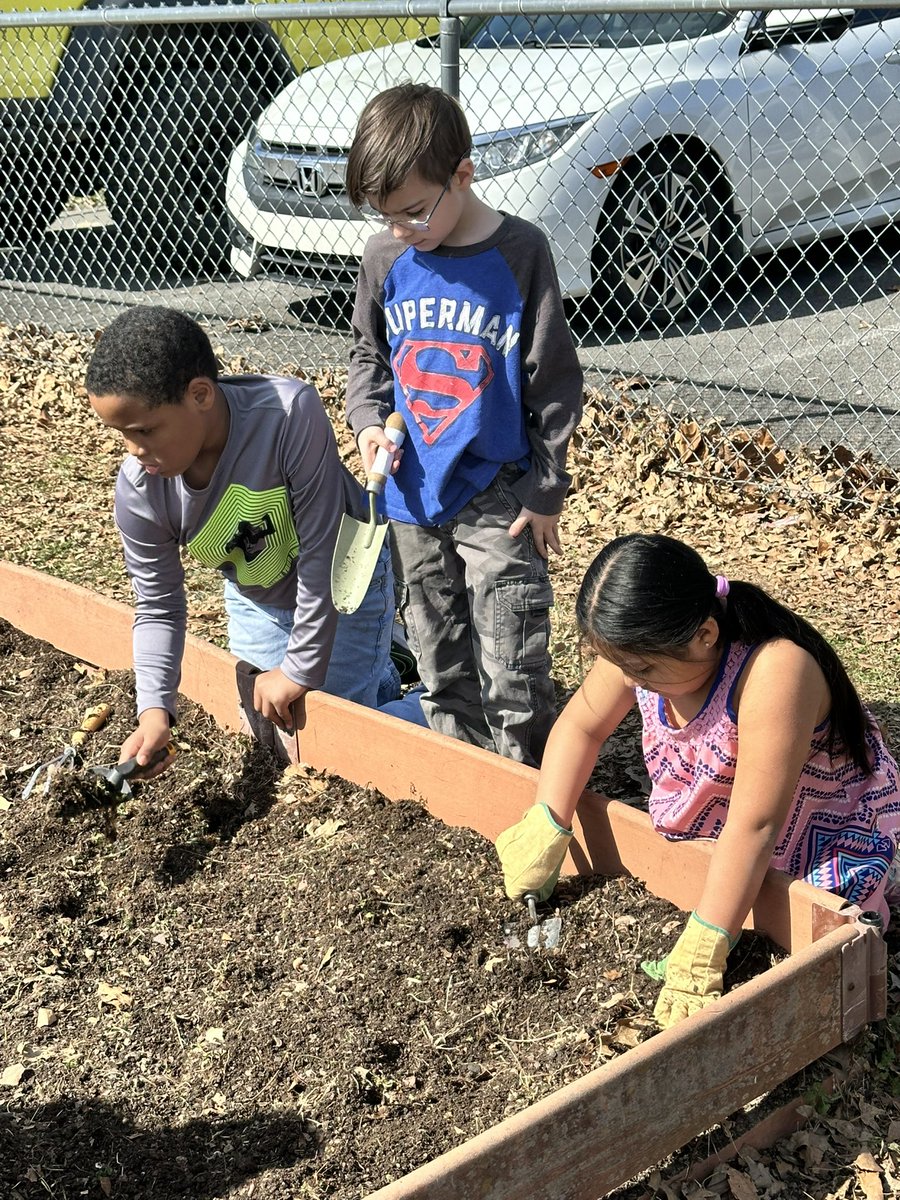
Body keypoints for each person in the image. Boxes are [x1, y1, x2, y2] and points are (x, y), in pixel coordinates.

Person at [496, 533, 900, 1027]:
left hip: (820, 829)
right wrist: (547, 818)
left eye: (642, 669)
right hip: (732, 824)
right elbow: (582, 726)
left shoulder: (774, 671)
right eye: (622, 666)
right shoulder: (639, 650)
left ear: (705, 635)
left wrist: (707, 941)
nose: (629, 680)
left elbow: (756, 827)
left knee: (823, 923)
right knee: (720, 875)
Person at [343, 83, 584, 769]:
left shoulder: (520, 252)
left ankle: (528, 787)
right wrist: (368, 422)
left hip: (499, 496)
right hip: (411, 495)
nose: (401, 230)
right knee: (438, 655)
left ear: (463, 175)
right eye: (387, 216)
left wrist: (546, 490)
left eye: (414, 212)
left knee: (513, 662)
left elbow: (553, 380)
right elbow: (369, 356)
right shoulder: (385, 258)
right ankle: (461, 783)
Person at [85, 305, 424, 772]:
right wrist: (155, 710)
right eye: (121, 434)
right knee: (274, 739)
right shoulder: (141, 488)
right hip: (258, 597)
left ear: (200, 394)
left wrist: (299, 667)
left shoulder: (287, 414)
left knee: (341, 748)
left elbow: (322, 550)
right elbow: (158, 605)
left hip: (345, 580)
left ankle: (447, 710)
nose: (134, 449)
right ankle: (382, 665)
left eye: (144, 430)